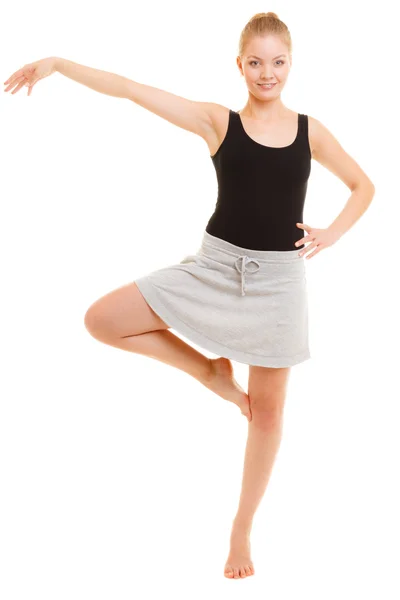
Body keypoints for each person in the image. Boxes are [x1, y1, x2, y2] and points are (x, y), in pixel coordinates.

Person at [4, 11, 375, 580]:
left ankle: (241, 529)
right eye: (256, 62)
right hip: (214, 268)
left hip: (279, 283)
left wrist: (333, 232)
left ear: (290, 64)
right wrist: (59, 65)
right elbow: (132, 90)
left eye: (278, 62)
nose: (267, 73)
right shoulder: (216, 121)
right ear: (240, 65)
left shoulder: (310, 130)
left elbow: (363, 184)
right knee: (102, 320)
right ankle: (211, 375)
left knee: (268, 415)